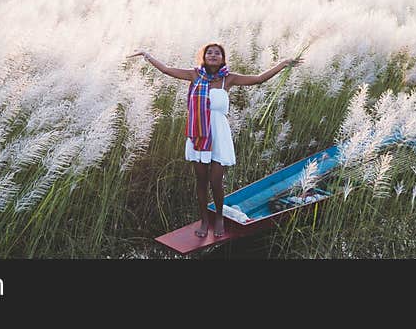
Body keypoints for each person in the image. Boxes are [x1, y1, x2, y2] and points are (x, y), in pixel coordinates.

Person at [127, 44, 302, 238]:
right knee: (201, 181)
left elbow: (259, 79)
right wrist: (146, 55)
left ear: (222, 58)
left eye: (217, 53)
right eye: (209, 52)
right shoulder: (194, 75)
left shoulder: (228, 79)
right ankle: (204, 220)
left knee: (215, 180)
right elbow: (167, 70)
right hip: (199, 133)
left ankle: (218, 216)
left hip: (219, 134)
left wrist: (283, 64)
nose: (213, 55)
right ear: (203, 56)